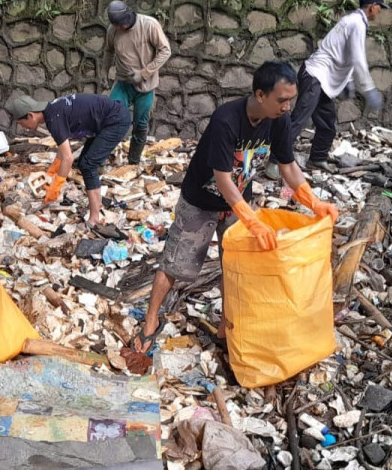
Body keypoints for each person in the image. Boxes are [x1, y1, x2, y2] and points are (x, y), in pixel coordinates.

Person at [132, 61, 339, 355]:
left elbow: (288, 166)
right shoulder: (226, 119)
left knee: (236, 266)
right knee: (176, 265)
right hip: (202, 200)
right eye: (281, 100)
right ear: (259, 95)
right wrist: (252, 220)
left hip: (237, 203)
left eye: (290, 100)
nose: (287, 107)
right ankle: (150, 321)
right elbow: (222, 178)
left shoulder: (279, 121)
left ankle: (226, 328)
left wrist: (313, 201)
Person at [288, 0, 388, 170]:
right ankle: (275, 161)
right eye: (380, 6)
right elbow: (358, 58)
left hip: (322, 80)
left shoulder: (353, 21)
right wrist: (369, 89)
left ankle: (317, 158)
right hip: (315, 75)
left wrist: (348, 81)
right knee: (299, 120)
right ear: (373, 6)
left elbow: (345, 53)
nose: (380, 11)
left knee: (327, 124)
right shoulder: (356, 23)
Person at [6, 93, 131, 227]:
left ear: (30, 115)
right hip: (107, 119)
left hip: (115, 120)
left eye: (21, 123)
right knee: (84, 162)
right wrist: (51, 174)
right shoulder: (52, 112)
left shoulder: (54, 119)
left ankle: (95, 218)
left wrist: (56, 187)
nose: (23, 127)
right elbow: (62, 150)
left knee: (88, 165)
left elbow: (68, 158)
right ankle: (97, 204)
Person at [100, 0, 172, 164]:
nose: (118, 28)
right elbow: (108, 51)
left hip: (145, 86)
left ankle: (133, 161)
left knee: (140, 125)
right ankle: (100, 157)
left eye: (120, 25)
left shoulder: (149, 25)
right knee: (109, 117)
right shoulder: (113, 30)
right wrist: (104, 71)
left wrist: (145, 72)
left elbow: (165, 50)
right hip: (123, 83)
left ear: (127, 19)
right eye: (115, 25)